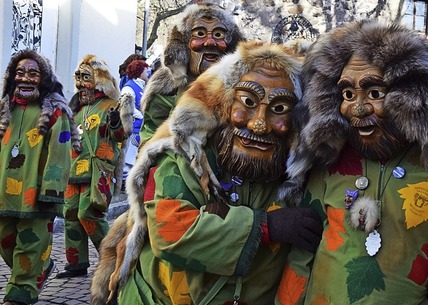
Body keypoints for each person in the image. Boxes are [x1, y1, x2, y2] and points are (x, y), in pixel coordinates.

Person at [90, 41, 322, 305]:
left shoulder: (298, 174)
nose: (259, 123)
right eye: (247, 101)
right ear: (225, 101)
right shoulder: (186, 155)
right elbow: (169, 231)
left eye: (279, 109)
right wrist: (267, 227)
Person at [278, 20, 428, 304]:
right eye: (348, 94)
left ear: (411, 98)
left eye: (375, 93)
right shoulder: (330, 161)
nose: (359, 107)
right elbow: (302, 256)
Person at [0, 50, 78, 305]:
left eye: (33, 74)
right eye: (20, 73)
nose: (25, 78)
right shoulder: (4, 108)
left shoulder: (56, 111)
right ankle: (39, 268)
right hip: (4, 194)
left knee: (30, 244)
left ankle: (20, 294)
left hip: (36, 194)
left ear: (43, 79)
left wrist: (51, 191)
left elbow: (60, 153)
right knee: (6, 241)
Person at [56, 54, 132, 279]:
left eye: (86, 77)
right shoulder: (76, 108)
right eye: (78, 78)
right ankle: (76, 263)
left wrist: (116, 120)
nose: (81, 84)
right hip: (74, 169)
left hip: (98, 170)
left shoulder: (111, 105)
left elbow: (121, 136)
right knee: (70, 213)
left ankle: (112, 258)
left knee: (89, 213)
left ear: (99, 80)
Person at [138, 0, 245, 146]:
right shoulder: (165, 90)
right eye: (200, 33)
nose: (210, 42)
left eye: (218, 34)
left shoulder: (243, 90)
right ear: (183, 46)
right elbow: (150, 136)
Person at [120, 59, 150, 185]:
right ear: (139, 71)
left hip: (140, 127)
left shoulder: (141, 86)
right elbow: (126, 106)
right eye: (145, 70)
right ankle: (124, 181)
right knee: (129, 157)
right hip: (134, 127)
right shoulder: (129, 88)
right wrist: (143, 116)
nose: (147, 73)